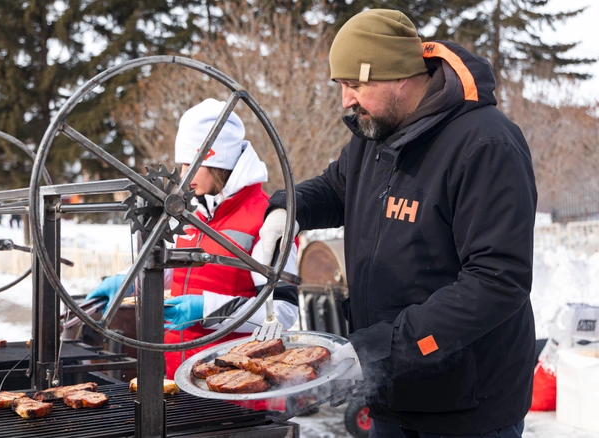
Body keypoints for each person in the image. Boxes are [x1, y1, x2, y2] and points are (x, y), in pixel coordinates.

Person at [259, 9, 537, 438]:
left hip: (467, 407)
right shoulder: (375, 132)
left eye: (354, 85)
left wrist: (379, 349)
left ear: (399, 77)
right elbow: (336, 188)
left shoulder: (485, 143)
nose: (346, 101)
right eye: (342, 86)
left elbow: (498, 282)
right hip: (391, 393)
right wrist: (286, 209)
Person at [86, 98, 299, 380]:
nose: (183, 176)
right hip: (182, 376)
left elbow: (282, 313)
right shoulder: (195, 214)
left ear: (216, 160)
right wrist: (130, 282)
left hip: (235, 387)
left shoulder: (266, 219)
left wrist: (205, 310)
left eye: (190, 163)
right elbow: (180, 272)